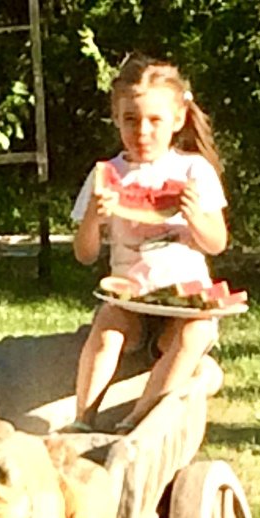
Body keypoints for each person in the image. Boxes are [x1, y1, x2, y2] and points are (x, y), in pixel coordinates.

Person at [69, 52, 228, 433]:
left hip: (185, 302)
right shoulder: (106, 174)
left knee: (197, 332)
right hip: (129, 298)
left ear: (178, 119)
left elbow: (216, 243)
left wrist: (195, 216)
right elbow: (85, 254)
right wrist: (93, 218)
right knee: (106, 329)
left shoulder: (194, 170)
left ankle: (136, 419)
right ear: (116, 118)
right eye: (130, 119)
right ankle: (82, 420)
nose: (142, 131)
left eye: (155, 120)